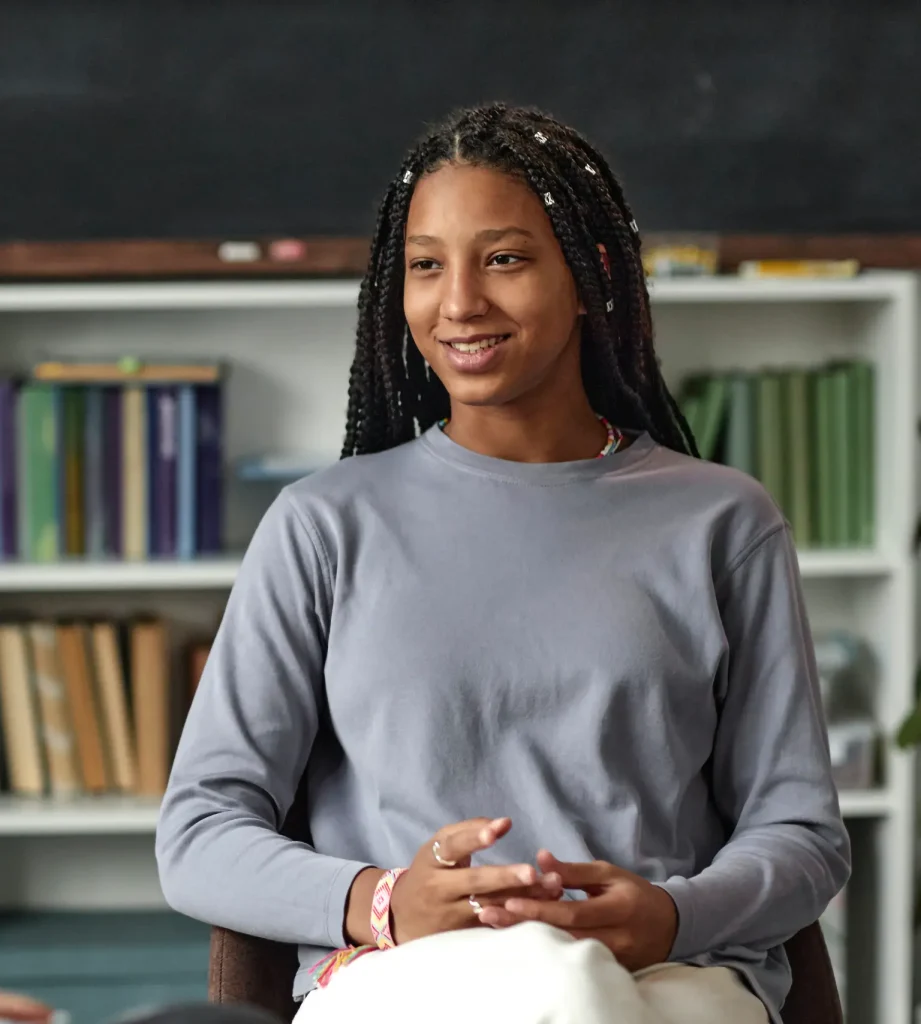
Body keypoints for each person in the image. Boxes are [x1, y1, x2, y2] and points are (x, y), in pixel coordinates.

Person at [155, 103, 850, 1024]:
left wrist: (673, 914)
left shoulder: (721, 521)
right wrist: (382, 900)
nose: (459, 304)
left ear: (590, 274)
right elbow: (199, 833)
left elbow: (801, 834)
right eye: (425, 266)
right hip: (401, 977)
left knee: (582, 988)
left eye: (505, 258)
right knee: (558, 987)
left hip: (678, 975)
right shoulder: (323, 527)